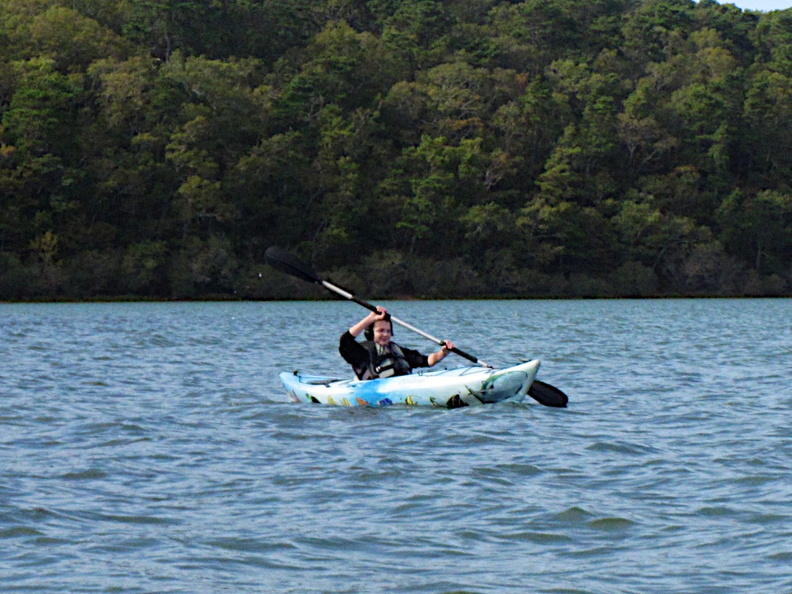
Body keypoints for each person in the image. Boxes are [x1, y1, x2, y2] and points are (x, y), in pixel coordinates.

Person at [339, 306, 455, 380]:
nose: (385, 334)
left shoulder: (396, 350)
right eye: (381, 331)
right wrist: (370, 319)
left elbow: (428, 361)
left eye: (388, 331)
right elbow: (345, 341)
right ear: (370, 333)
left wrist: (443, 352)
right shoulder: (363, 352)